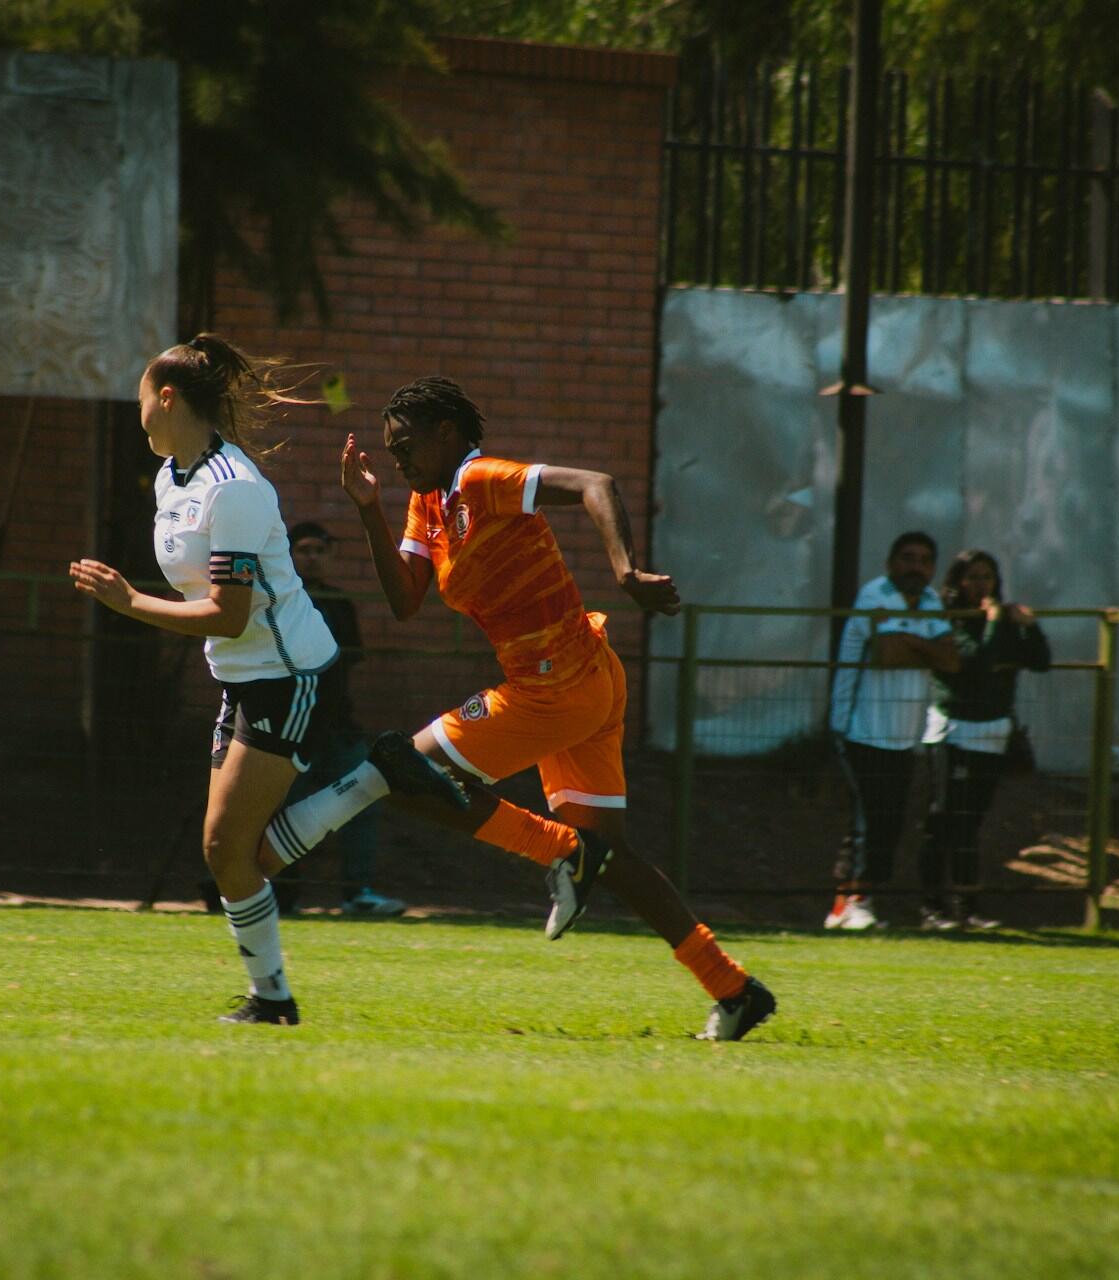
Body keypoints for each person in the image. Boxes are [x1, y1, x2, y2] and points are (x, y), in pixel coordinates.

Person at [254, 376, 775, 1042]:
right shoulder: (428, 504)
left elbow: (596, 483)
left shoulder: (480, 480)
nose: (400, 462)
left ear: (448, 434)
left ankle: (565, 852)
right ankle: (733, 988)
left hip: (557, 687)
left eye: (407, 447)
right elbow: (406, 599)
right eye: (391, 454)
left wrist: (625, 572)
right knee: (613, 861)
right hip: (579, 683)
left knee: (405, 773)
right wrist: (367, 507)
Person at [69, 335, 462, 1027]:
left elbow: (229, 614)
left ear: (167, 397)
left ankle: (370, 783)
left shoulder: (236, 489)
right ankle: (274, 997)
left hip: (289, 676)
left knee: (230, 852)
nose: (137, 413)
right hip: (245, 678)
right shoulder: (172, 478)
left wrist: (128, 603)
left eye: (139, 399)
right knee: (230, 855)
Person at [827, 530, 958, 931]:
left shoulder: (933, 600)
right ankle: (852, 902)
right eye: (907, 557)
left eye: (923, 559)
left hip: (905, 732)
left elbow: (951, 660)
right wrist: (922, 644)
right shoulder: (874, 595)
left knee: (889, 820)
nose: (915, 566)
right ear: (890, 563)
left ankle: (848, 905)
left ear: (933, 568)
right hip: (859, 727)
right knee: (869, 819)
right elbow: (886, 655)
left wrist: (904, 638)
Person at [918, 549, 1051, 931]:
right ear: (958, 581)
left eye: (987, 577)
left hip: (992, 733)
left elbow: (1040, 661)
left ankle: (966, 908)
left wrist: (1028, 626)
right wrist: (993, 623)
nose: (981, 584)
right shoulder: (951, 620)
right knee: (942, 816)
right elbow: (977, 663)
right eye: (973, 576)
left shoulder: (1004, 620)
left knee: (970, 822)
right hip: (952, 729)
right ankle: (932, 908)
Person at [277, 519, 404, 917]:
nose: (312, 559)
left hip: (337, 726)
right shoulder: (278, 601)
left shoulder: (339, 602)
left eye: (319, 551)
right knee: (284, 809)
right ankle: (283, 896)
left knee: (362, 795)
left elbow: (345, 664)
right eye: (304, 551)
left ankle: (358, 891)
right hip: (287, 726)